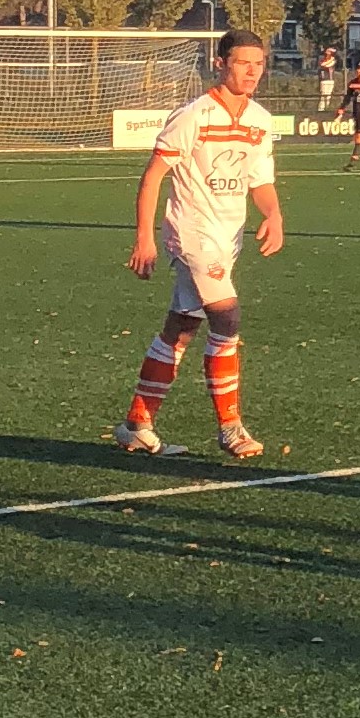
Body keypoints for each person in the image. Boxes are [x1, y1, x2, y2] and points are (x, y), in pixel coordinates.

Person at [115, 28, 283, 460]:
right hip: (191, 233)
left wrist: (274, 214)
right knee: (227, 321)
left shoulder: (260, 121)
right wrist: (144, 238)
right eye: (242, 62)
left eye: (258, 63)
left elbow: (260, 180)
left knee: (181, 328)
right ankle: (230, 428)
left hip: (228, 237)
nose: (251, 71)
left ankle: (137, 422)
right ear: (221, 63)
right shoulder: (193, 116)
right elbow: (153, 176)